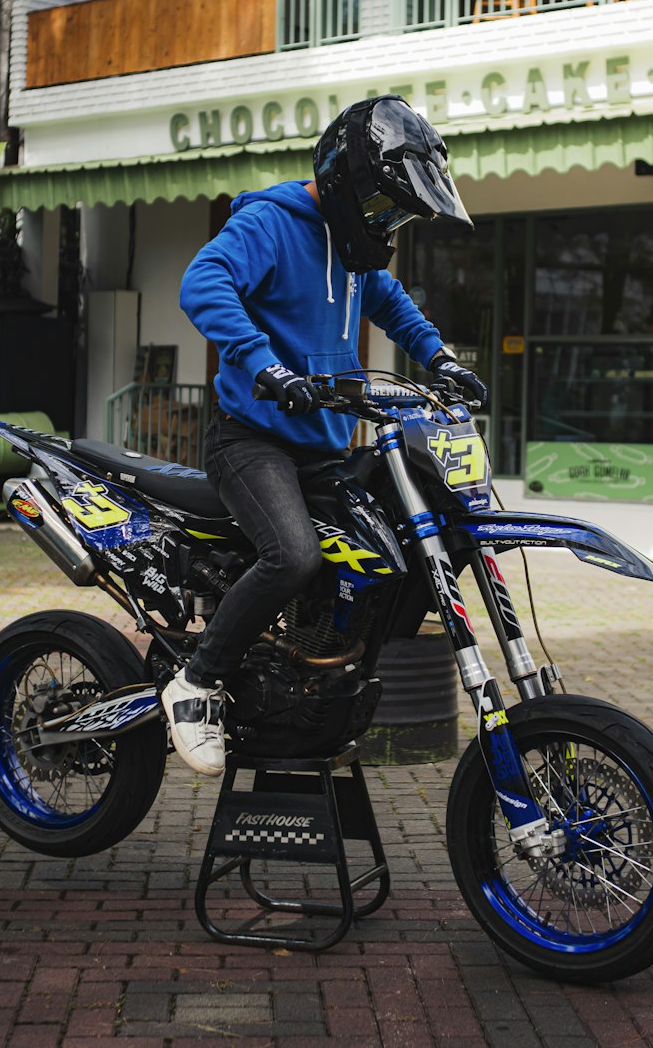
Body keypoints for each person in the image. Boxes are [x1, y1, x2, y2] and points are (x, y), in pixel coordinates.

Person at [165, 95, 487, 775]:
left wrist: (442, 360)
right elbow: (204, 281)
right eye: (386, 209)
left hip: (320, 448)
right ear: (348, 183)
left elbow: (390, 302)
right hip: (252, 440)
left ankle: (308, 678)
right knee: (294, 555)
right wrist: (265, 365)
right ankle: (196, 681)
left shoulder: (352, 244)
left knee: (382, 548)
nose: (388, 226)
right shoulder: (272, 225)